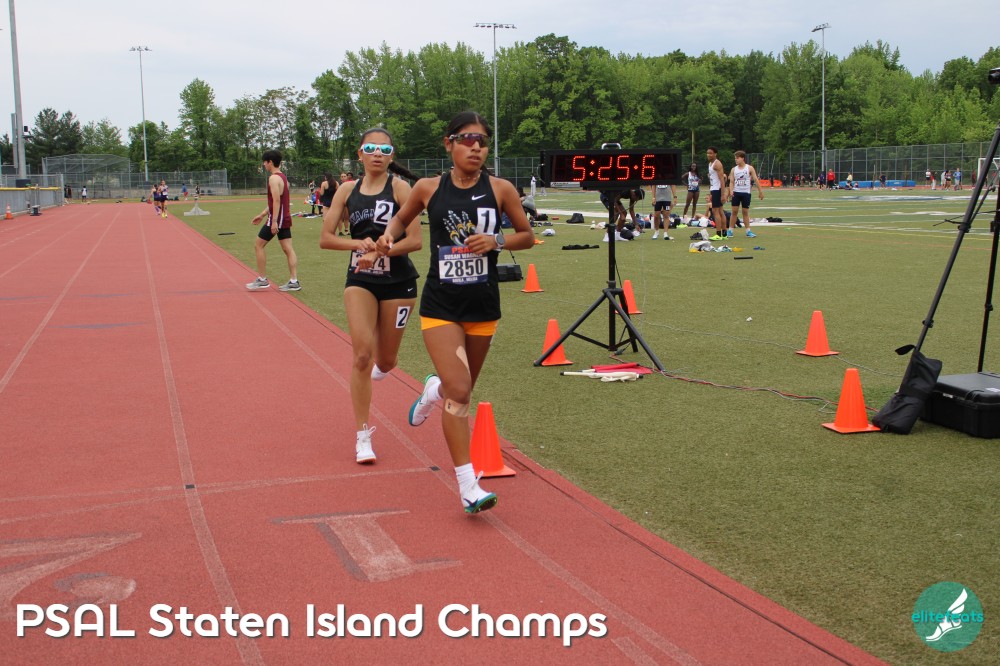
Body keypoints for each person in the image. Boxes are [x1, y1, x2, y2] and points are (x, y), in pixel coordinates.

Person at [375, 111, 533, 514]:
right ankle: (467, 486)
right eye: (467, 139)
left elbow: (527, 236)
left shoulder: (501, 189)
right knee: (461, 391)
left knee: (456, 391)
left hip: (483, 306)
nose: (476, 147)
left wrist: (496, 241)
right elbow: (400, 219)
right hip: (441, 305)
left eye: (482, 141)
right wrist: (386, 238)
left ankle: (433, 391)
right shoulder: (428, 188)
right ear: (449, 144)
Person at [319, 129, 421, 464]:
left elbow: (415, 241)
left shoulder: (400, 188)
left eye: (384, 149)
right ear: (360, 153)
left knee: (386, 361)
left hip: (399, 282)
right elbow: (326, 238)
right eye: (371, 148)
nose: (378, 154)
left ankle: (387, 366)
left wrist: (380, 252)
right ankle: (363, 435)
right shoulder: (347, 190)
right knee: (362, 355)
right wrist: (358, 244)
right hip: (360, 279)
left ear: (392, 156)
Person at [247, 149, 300, 292]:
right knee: (288, 249)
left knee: (258, 245)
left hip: (278, 219)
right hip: (284, 217)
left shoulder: (273, 178)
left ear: (270, 162)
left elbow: (276, 201)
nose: (264, 165)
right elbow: (277, 201)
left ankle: (262, 279)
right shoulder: (283, 178)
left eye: (264, 162)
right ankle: (294, 281)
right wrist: (262, 214)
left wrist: (274, 221)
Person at [728, 151, 764, 239]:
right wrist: (731, 191)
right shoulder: (733, 169)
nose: (736, 160)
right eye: (735, 158)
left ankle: (748, 231)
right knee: (734, 212)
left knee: (745, 212)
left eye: (737, 158)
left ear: (742, 158)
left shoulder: (749, 168)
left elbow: (756, 179)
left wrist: (760, 191)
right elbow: (731, 182)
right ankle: (730, 230)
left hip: (746, 193)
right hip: (736, 193)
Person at [706, 147, 728, 240]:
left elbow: (722, 180)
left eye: (711, 153)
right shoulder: (710, 164)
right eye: (708, 153)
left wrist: (723, 194)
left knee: (716, 211)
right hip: (714, 189)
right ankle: (724, 234)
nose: (708, 155)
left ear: (715, 154)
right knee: (720, 211)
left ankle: (718, 234)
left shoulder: (717, 164)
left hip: (717, 189)